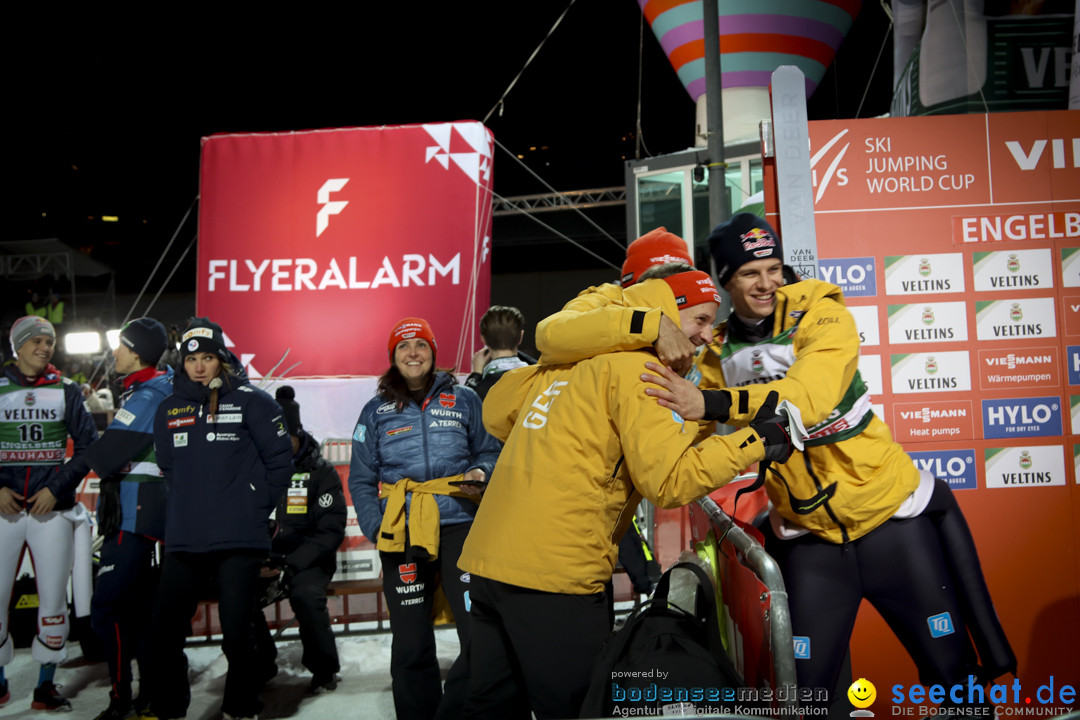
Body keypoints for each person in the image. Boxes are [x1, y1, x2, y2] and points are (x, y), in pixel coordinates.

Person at [535, 213, 1016, 711]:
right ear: (723, 281)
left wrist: (714, 405)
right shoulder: (714, 346)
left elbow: (808, 398)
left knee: (953, 679)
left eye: (774, 268)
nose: (767, 283)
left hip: (890, 522)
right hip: (808, 534)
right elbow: (681, 439)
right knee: (801, 695)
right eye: (749, 273)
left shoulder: (822, 313)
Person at [457, 269, 797, 719]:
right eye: (697, 320)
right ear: (666, 312)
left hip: (488, 563)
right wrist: (755, 440)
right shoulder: (640, 369)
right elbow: (669, 481)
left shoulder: (571, 363)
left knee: (490, 705)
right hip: (555, 574)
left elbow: (496, 412)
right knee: (579, 707)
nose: (704, 338)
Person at [349, 317, 501, 720]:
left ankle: (461, 710)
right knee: (412, 639)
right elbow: (361, 477)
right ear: (392, 357)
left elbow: (490, 450)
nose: (412, 353)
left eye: (421, 345)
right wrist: (375, 526)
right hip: (402, 530)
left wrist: (482, 471)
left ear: (434, 353)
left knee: (478, 631)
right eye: (403, 347)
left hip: (460, 523)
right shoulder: (375, 410)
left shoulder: (465, 399)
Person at [148, 318, 294, 720]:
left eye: (207, 357)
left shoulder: (253, 401)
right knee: (164, 633)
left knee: (236, 632)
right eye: (191, 358)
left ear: (222, 359)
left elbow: (281, 462)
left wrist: (253, 505)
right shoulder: (169, 408)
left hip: (239, 538)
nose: (199, 366)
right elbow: (168, 466)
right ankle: (170, 709)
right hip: (185, 539)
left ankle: (240, 708)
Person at [70, 318, 171, 720]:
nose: (114, 353)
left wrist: (79, 413)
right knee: (136, 610)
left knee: (108, 607)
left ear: (138, 351)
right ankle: (143, 695)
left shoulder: (150, 394)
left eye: (121, 346)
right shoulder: (145, 390)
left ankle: (123, 698)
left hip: (138, 515)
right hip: (134, 512)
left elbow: (104, 458)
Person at [0, 316, 98, 711]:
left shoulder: (67, 390)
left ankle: (45, 685)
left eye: (50, 341)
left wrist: (55, 488)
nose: (45, 347)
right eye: (36, 341)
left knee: (54, 600)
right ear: (17, 346)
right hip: (4, 510)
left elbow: (89, 446)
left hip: (51, 510)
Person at [253, 385, 346, 694]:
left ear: (297, 433)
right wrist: (261, 559)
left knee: (307, 597)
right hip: (264, 559)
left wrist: (289, 563)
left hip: (308, 559)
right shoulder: (253, 469)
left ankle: (323, 669)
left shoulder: (321, 471)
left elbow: (330, 530)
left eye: (285, 438)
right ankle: (261, 663)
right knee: (236, 594)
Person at [464, 305, 533, 400]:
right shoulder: (538, 379)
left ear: (482, 338)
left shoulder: (477, 390)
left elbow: (465, 404)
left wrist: (476, 374)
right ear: (521, 336)